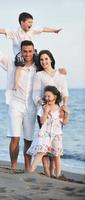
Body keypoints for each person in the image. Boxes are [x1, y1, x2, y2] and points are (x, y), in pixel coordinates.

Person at [0, 27, 37, 172]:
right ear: (21, 51)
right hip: (16, 105)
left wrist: (61, 73)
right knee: (15, 138)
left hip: (32, 107)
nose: (27, 54)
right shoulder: (12, 63)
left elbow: (50, 73)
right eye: (25, 51)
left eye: (30, 51)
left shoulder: (38, 67)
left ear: (34, 51)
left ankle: (27, 167)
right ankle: (13, 166)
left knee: (28, 140)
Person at [0, 12, 62, 90]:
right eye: (29, 22)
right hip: (20, 53)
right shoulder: (14, 31)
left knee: (40, 63)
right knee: (19, 67)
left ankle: (49, 79)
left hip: (32, 52)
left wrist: (54, 30)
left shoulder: (32, 30)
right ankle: (16, 85)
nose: (31, 24)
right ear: (22, 22)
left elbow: (43, 29)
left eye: (32, 22)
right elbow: (3, 30)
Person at [32, 49, 69, 177]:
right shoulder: (39, 75)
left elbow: (64, 92)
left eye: (46, 59)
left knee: (55, 143)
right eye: (41, 59)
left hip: (58, 112)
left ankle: (54, 173)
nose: (44, 61)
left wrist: (64, 106)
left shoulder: (60, 73)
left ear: (51, 59)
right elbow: (35, 95)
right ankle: (47, 172)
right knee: (43, 143)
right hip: (44, 112)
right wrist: (45, 107)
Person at [27, 86, 70, 178]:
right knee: (40, 152)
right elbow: (42, 121)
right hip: (45, 134)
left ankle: (58, 175)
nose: (47, 98)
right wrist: (46, 111)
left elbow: (65, 123)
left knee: (56, 155)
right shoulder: (43, 108)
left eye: (49, 96)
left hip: (56, 134)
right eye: (45, 96)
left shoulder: (60, 109)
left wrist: (67, 114)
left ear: (55, 96)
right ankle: (30, 171)